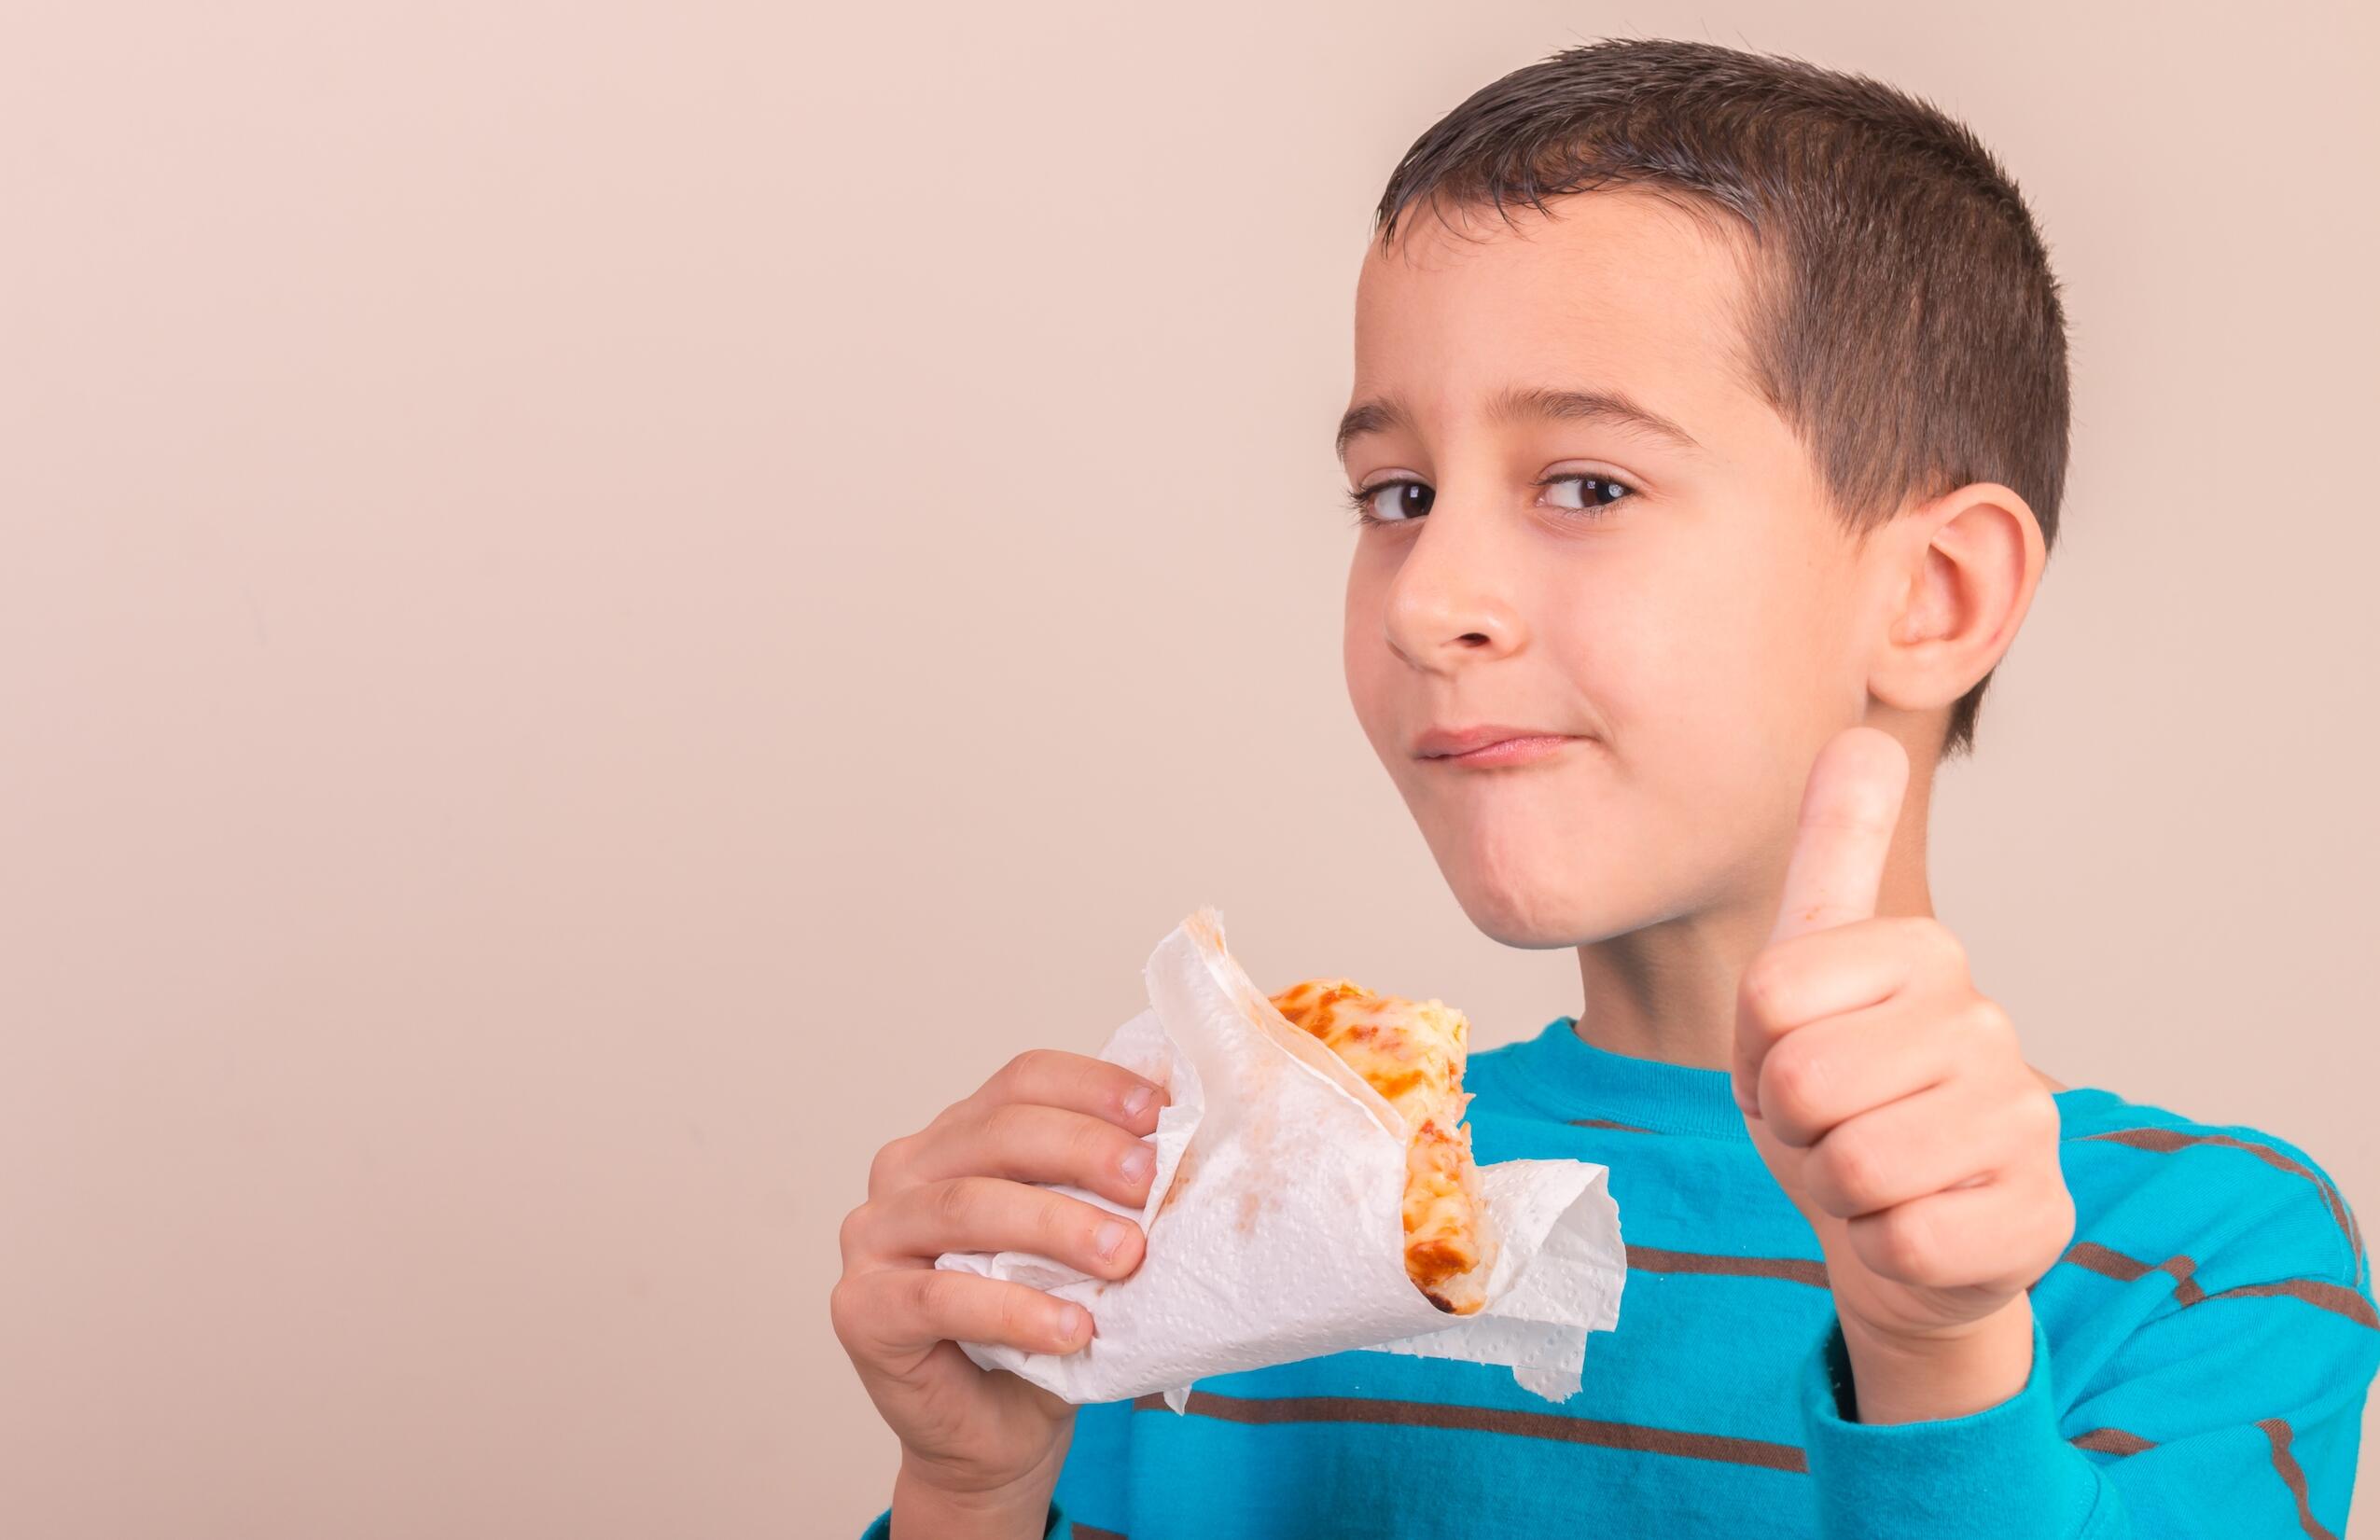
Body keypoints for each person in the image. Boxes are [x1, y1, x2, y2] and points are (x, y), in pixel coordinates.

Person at [830, 36, 2378, 1538]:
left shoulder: (2199, 1261)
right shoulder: (1217, 1231)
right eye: (1398, 497)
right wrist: (972, 1490)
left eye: (1586, 485)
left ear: (1937, 598)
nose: (1429, 599)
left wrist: (1935, 1349)